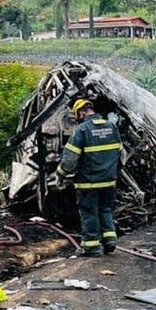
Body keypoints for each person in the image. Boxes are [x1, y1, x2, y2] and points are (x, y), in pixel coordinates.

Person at [56, 99, 122, 257]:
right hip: (109, 180)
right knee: (106, 210)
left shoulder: (82, 130)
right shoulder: (111, 127)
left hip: (88, 182)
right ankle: (110, 241)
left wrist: (61, 174)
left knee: (89, 212)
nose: (77, 118)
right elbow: (120, 154)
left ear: (82, 112)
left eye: (77, 114)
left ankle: (91, 246)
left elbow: (70, 159)